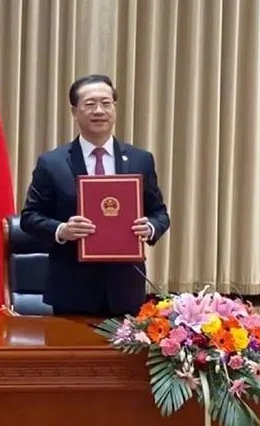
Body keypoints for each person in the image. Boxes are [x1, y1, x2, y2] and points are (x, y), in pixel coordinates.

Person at [19, 74, 170, 317]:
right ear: (74, 112)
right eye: (90, 104)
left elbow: (159, 213)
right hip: (72, 288)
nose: (99, 110)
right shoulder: (52, 163)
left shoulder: (140, 159)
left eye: (106, 103)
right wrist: (62, 230)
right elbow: (30, 217)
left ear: (114, 108)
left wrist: (150, 227)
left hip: (125, 289)